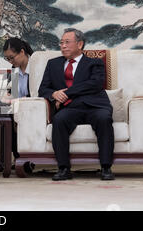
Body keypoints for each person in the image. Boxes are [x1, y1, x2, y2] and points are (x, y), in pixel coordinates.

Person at [38, 28, 115, 181]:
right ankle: (64, 168)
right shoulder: (53, 64)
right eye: (61, 43)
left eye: (67, 42)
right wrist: (54, 94)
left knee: (104, 119)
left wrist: (67, 93)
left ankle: (106, 167)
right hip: (71, 109)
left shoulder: (94, 63)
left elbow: (95, 84)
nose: (63, 46)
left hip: (95, 106)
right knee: (59, 120)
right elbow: (43, 89)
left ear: (80, 44)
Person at [1, 37, 34, 170]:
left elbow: (39, 92)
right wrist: (7, 97)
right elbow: (12, 94)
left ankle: (25, 158)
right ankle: (14, 157)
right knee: (4, 115)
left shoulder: (37, 67)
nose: (10, 61)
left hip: (35, 107)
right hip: (18, 107)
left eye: (11, 57)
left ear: (22, 52)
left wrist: (18, 102)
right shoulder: (14, 71)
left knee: (12, 115)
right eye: (7, 59)